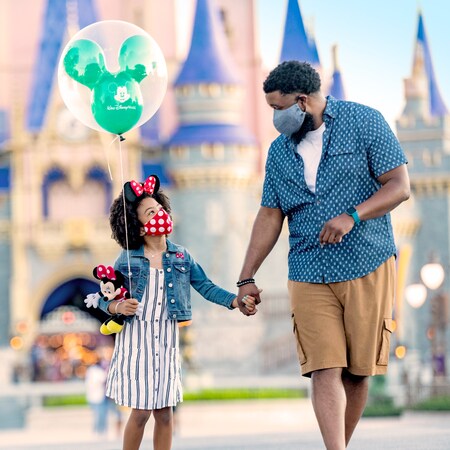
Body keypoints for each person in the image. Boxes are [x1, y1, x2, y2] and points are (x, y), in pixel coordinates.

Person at [235, 60, 410, 450]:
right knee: (323, 368)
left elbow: (399, 186)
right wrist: (246, 276)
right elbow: (269, 214)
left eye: (277, 109)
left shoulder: (365, 122)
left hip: (368, 261)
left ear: (301, 101)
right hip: (308, 268)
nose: (274, 118)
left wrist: (352, 216)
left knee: (358, 373)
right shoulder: (280, 152)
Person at [97, 174, 257, 450]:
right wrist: (117, 306)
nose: (159, 214)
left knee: (165, 413)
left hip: (166, 340)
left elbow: (205, 286)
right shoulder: (127, 259)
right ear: (139, 226)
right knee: (141, 412)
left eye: (159, 209)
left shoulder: (181, 256)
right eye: (151, 212)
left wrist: (235, 301)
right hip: (137, 341)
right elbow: (103, 298)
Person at [85, 359, 108, 436]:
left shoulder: (89, 371)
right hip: (99, 397)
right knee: (101, 415)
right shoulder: (98, 371)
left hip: (92, 397)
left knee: (96, 415)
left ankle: (96, 431)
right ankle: (100, 431)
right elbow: (103, 379)